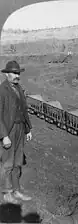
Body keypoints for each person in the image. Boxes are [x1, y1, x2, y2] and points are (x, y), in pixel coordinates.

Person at [0, 61, 32, 204]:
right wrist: (4, 135)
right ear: (7, 74)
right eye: (14, 73)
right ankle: (7, 193)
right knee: (8, 163)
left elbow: (24, 110)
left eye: (18, 73)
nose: (16, 76)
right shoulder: (2, 90)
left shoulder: (19, 88)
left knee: (18, 161)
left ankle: (16, 190)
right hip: (9, 129)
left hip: (20, 128)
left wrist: (28, 129)